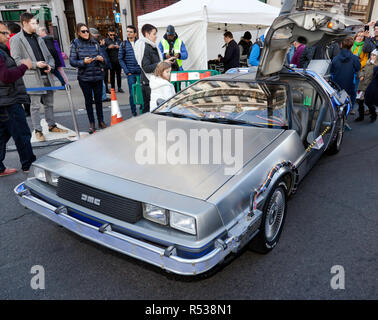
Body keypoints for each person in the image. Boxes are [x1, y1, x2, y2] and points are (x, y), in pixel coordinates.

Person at [10, 12, 67, 142]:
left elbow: (50, 57)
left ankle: (52, 125)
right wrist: (36, 64)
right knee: (35, 106)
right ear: (24, 23)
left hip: (46, 75)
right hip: (32, 78)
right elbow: (16, 61)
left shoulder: (39, 38)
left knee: (49, 103)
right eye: (33, 23)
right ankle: (38, 130)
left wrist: (50, 66)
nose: (36, 25)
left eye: (36, 22)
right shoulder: (16, 39)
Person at [0, 21, 36, 177]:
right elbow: (6, 77)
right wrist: (24, 66)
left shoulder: (3, 50)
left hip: (5, 100)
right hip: (8, 101)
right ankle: (29, 165)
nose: (7, 35)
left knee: (2, 134)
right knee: (21, 133)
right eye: (4, 33)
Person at [69, 23, 107, 134]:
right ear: (78, 33)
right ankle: (92, 123)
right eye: (83, 31)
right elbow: (72, 61)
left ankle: (101, 121)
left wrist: (102, 59)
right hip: (84, 78)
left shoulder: (95, 43)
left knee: (99, 100)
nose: (86, 33)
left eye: (87, 31)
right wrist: (83, 62)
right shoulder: (75, 44)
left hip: (97, 75)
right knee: (88, 101)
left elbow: (104, 58)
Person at [134, 24, 174, 113]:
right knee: (150, 110)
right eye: (154, 34)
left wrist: (165, 62)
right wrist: (162, 63)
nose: (156, 36)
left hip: (151, 82)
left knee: (153, 109)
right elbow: (146, 67)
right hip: (148, 83)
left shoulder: (151, 46)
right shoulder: (144, 47)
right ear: (147, 34)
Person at [330, 37, 361, 110]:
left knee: (338, 97)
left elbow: (332, 70)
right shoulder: (354, 58)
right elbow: (358, 68)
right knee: (353, 94)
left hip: (337, 84)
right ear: (351, 46)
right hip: (350, 83)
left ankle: (338, 109)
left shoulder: (335, 58)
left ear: (341, 45)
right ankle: (351, 108)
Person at [119, 25, 141, 117]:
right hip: (130, 73)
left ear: (135, 33)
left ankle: (142, 109)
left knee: (141, 92)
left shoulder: (140, 43)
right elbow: (120, 59)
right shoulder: (123, 44)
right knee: (132, 94)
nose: (128, 33)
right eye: (127, 31)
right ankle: (133, 112)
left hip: (140, 72)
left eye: (131, 32)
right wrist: (127, 71)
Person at [356, 49, 378, 122]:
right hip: (362, 85)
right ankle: (361, 116)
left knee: (369, 102)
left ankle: (373, 115)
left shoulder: (376, 66)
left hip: (370, 87)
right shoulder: (367, 63)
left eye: (374, 55)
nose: (372, 57)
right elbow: (362, 70)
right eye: (371, 55)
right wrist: (361, 75)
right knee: (360, 101)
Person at [90, 27, 111, 101]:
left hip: (97, 67)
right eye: (96, 35)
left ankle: (100, 97)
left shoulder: (96, 44)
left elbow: (103, 57)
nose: (97, 36)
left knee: (101, 83)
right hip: (93, 67)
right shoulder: (95, 44)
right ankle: (100, 97)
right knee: (100, 84)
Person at [105, 28, 123, 93]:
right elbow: (103, 50)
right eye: (111, 35)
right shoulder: (106, 40)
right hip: (111, 61)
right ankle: (112, 88)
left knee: (119, 75)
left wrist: (119, 47)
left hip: (118, 60)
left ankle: (119, 87)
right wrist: (108, 48)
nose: (112, 36)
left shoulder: (118, 40)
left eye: (113, 34)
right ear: (108, 34)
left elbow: (122, 48)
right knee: (112, 75)